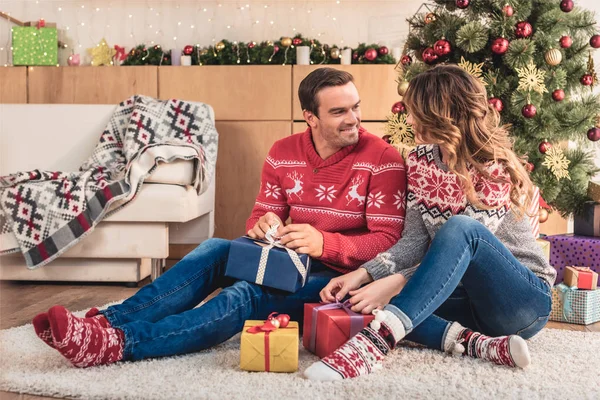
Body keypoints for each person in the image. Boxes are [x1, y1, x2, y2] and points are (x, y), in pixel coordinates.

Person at [32, 68, 407, 368]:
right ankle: (106, 323)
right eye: (339, 111)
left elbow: (389, 241)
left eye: (355, 107)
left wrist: (325, 243)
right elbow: (263, 213)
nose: (354, 119)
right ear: (310, 117)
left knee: (245, 294)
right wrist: (263, 224)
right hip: (284, 257)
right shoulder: (282, 152)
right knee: (214, 248)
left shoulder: (382, 157)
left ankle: (119, 345)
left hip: (339, 280)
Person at [304, 64, 556, 381]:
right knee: (368, 297)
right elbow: (412, 243)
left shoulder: (494, 166)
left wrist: (396, 282)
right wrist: (363, 274)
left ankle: (374, 345)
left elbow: (466, 253)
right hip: (470, 303)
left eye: (415, 112)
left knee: (461, 230)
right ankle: (478, 345)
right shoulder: (420, 160)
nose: (409, 120)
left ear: (440, 114)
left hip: (522, 302)